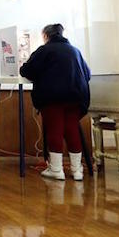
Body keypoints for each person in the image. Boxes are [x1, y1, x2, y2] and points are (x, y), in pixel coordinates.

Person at [20, 24, 91, 181]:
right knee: (72, 128)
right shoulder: (75, 51)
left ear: (46, 35)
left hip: (52, 96)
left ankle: (56, 170)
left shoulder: (44, 50)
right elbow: (88, 73)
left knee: (55, 129)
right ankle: (77, 170)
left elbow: (26, 70)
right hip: (77, 95)